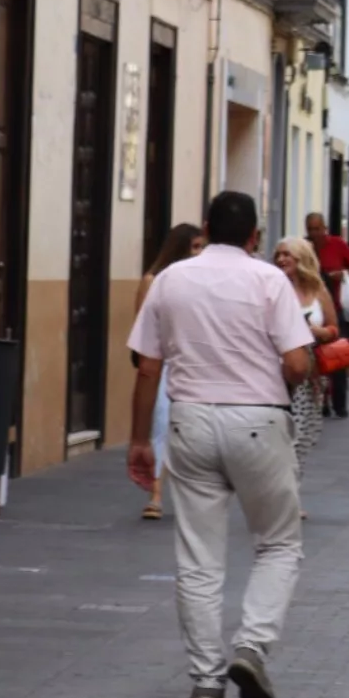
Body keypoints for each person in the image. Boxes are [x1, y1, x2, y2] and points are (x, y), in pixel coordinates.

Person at [127, 191, 315, 698]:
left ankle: (206, 679)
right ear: (255, 235)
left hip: (190, 420)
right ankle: (252, 646)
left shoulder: (170, 279)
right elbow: (298, 365)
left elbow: (147, 367)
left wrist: (141, 440)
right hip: (257, 419)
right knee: (278, 543)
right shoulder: (269, 280)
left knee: (199, 559)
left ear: (206, 227)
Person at [133, 223, 204, 521]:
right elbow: (142, 324)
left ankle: (192, 494)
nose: (201, 253)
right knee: (162, 423)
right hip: (164, 361)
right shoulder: (153, 280)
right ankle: (157, 494)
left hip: (194, 363)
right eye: (196, 247)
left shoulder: (201, 281)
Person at [273, 239, 338, 489]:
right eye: (278, 255)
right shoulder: (273, 288)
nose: (281, 259)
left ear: (301, 257)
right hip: (279, 371)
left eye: (287, 254)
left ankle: (292, 489)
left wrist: (321, 332)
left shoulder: (319, 291)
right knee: (282, 436)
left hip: (312, 373)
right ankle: (285, 493)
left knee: (304, 435)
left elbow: (335, 329)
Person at [305, 213, 349, 418]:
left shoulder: (337, 244)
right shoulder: (304, 247)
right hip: (311, 309)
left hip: (335, 306)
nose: (314, 233)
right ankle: (322, 403)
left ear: (325, 228)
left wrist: (342, 273)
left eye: (317, 229)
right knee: (315, 359)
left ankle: (340, 403)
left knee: (337, 355)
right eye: (310, 229)